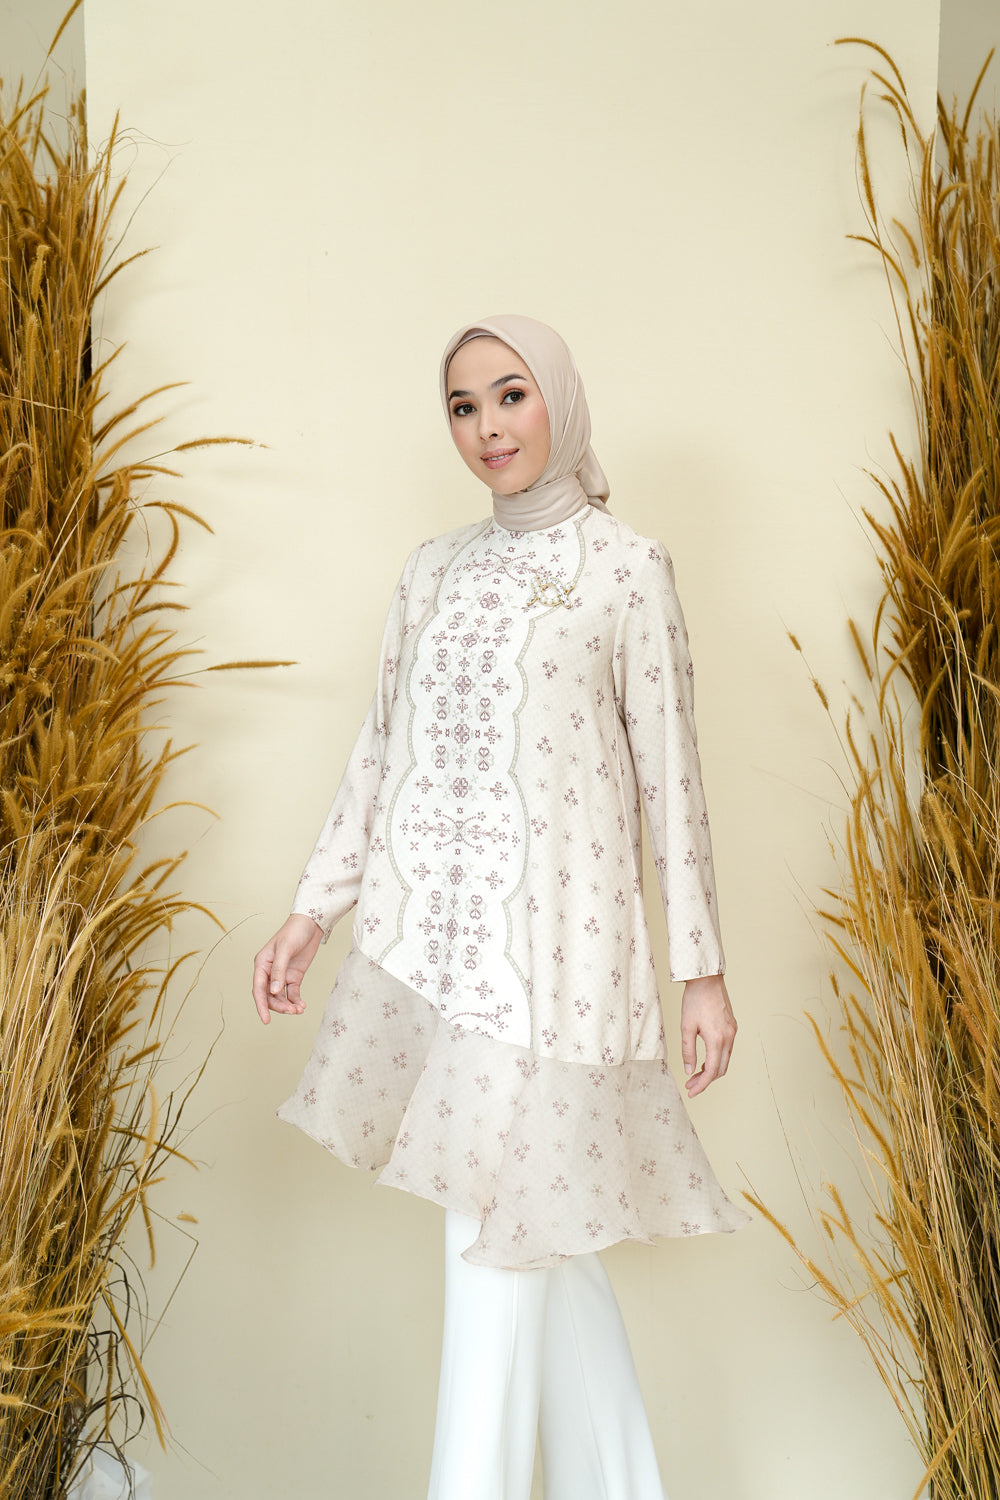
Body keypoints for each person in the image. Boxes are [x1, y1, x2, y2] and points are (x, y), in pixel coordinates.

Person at [252, 314, 747, 1500]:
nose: (487, 427)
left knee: (493, 1239)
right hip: (434, 960)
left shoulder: (626, 569)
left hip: (561, 967)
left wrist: (701, 971)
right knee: (538, 1245)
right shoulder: (429, 570)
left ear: (558, 398)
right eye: (463, 406)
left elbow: (670, 782)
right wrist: (312, 911)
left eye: (511, 394)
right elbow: (381, 751)